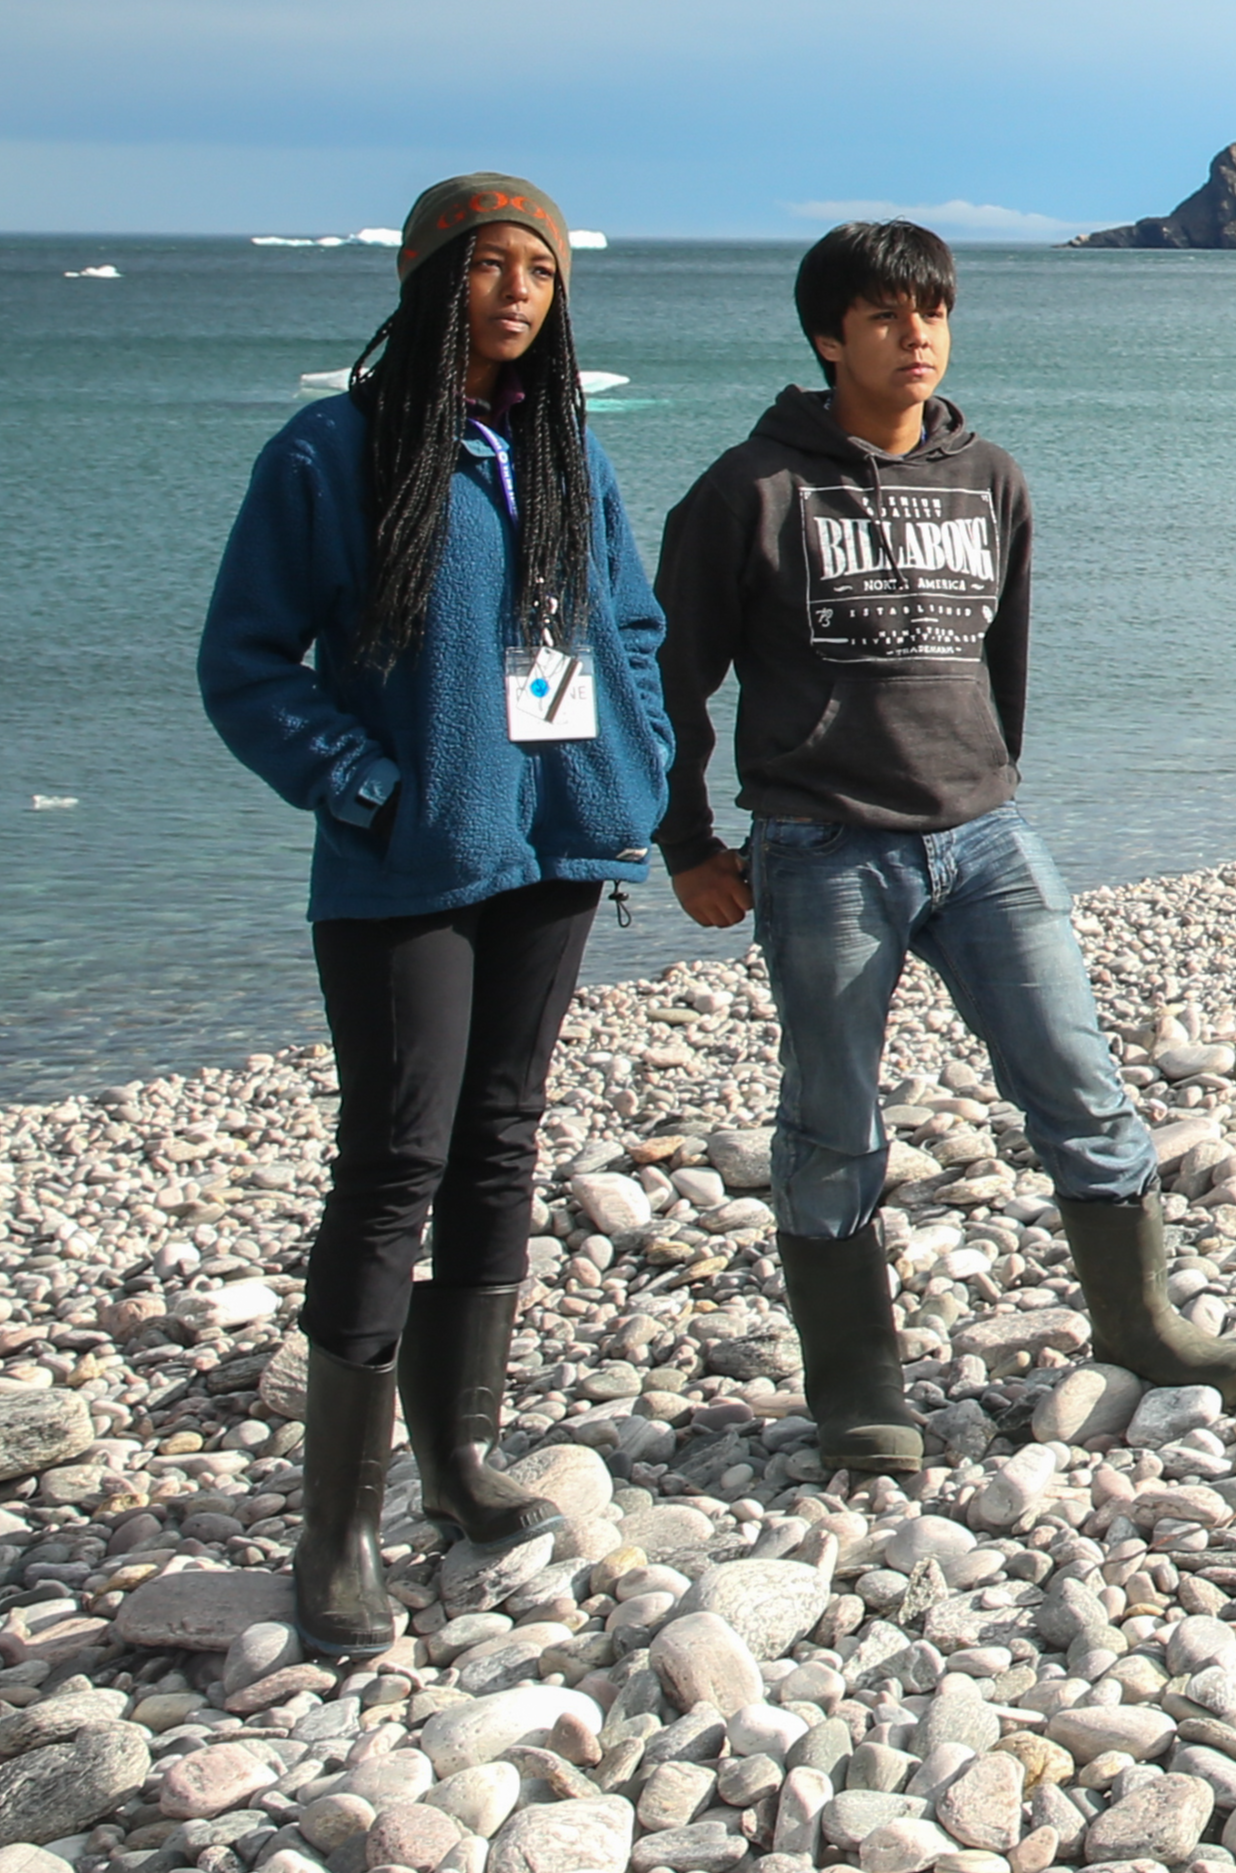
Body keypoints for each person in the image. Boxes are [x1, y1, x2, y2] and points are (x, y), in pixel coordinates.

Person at [650, 220, 1236, 1474]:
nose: (917, 334)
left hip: (984, 836)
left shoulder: (989, 477)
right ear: (829, 338)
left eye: (932, 309)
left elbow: (1006, 661)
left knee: (1080, 1079)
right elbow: (669, 678)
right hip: (823, 848)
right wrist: (687, 841)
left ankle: (1140, 1322)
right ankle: (859, 1383)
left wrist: (990, 785)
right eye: (884, 316)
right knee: (833, 1120)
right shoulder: (748, 491)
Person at [200, 175, 670, 1658]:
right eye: (488, 265)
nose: (518, 288)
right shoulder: (331, 450)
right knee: (394, 1156)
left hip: (558, 848)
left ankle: (461, 1463)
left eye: (539, 266)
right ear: (425, 281)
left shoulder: (566, 453)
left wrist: (634, 759)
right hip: (409, 860)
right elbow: (248, 660)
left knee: (502, 1141)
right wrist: (365, 784)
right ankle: (334, 1525)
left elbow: (628, 629)